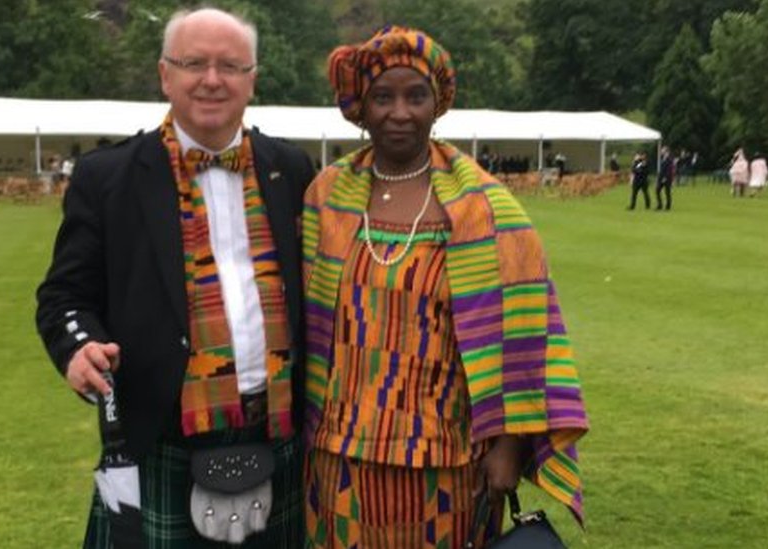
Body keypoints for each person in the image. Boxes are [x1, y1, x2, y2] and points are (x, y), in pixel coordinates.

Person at [35, 8, 314, 548]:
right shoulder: (108, 176)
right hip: (161, 438)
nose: (212, 79)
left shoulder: (291, 170)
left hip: (277, 436)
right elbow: (64, 295)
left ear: (252, 80)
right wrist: (78, 347)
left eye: (230, 66)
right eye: (194, 63)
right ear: (166, 75)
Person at [303, 26, 588, 548]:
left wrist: (510, 444)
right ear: (361, 108)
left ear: (439, 104)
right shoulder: (326, 197)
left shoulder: (486, 206)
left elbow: (525, 334)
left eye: (416, 96)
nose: (400, 112)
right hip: (339, 457)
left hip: (447, 461)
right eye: (382, 97)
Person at [656, 146, 675, 210]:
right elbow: (662, 169)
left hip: (667, 179)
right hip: (661, 178)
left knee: (667, 192)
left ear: (666, 151)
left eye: (663, 150)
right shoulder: (662, 158)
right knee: (657, 190)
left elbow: (669, 170)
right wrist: (659, 177)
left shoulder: (669, 159)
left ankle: (668, 206)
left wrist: (665, 178)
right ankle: (660, 205)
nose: (661, 151)